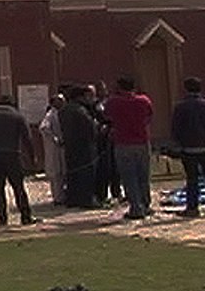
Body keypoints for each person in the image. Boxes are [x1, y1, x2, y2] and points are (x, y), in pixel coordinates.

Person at [0, 96, 37, 226]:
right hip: (12, 154)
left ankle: (2, 217)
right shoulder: (17, 116)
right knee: (18, 186)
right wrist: (32, 157)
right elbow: (27, 138)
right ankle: (25, 216)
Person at [171, 77, 205, 217]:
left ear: (185, 89)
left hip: (188, 149)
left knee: (192, 179)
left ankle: (192, 208)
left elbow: (175, 129)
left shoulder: (180, 107)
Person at [104, 76, 154, 220]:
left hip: (123, 142)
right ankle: (145, 204)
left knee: (128, 176)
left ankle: (136, 207)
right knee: (143, 175)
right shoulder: (144, 101)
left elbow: (107, 117)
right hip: (142, 141)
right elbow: (149, 117)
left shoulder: (113, 102)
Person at [58, 85, 97, 208]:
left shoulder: (63, 110)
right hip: (83, 146)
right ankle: (86, 199)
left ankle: (73, 198)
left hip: (70, 146)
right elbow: (90, 127)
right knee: (86, 173)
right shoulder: (80, 110)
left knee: (72, 173)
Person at [91, 82, 123, 204]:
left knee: (115, 167)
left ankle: (117, 192)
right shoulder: (94, 105)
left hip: (113, 138)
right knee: (103, 168)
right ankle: (102, 195)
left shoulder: (110, 103)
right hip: (101, 140)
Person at [38, 93, 66, 205]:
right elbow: (44, 128)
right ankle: (58, 198)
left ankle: (62, 196)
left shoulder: (61, 113)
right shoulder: (51, 115)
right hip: (55, 149)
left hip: (61, 148)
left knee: (62, 173)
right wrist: (55, 139)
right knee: (56, 174)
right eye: (60, 100)